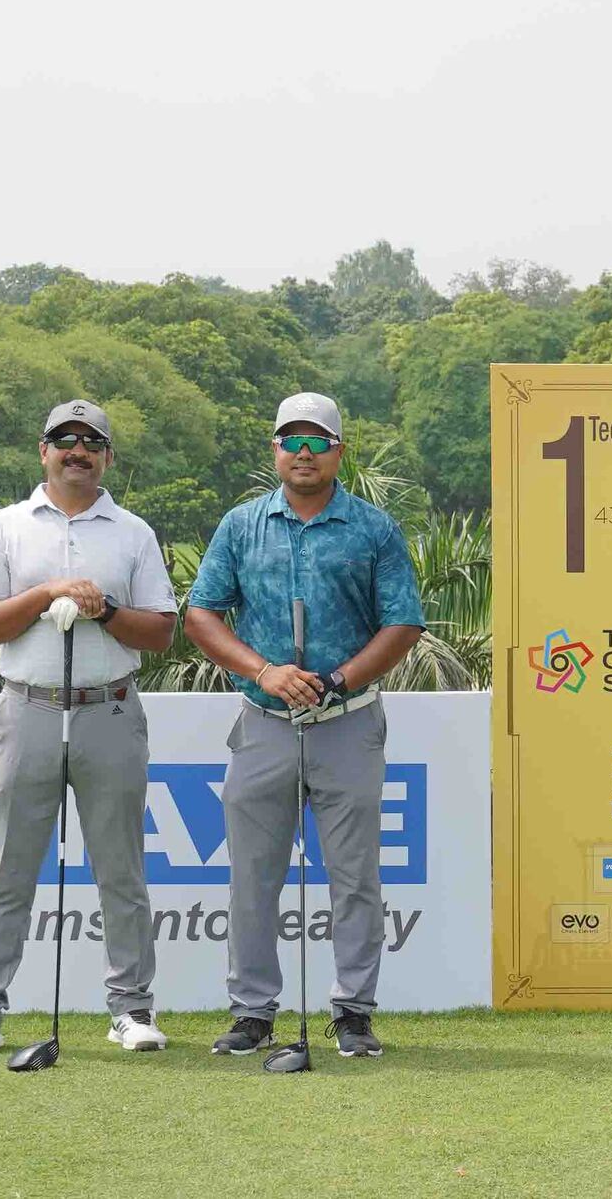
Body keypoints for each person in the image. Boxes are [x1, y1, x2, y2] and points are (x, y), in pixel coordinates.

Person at [0, 400, 179, 1059]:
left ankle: (131, 1008)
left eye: (91, 441)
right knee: (8, 870)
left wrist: (105, 607)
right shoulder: (5, 527)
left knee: (120, 869)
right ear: (44, 451)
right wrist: (47, 594)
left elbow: (160, 630)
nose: (77, 450)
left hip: (110, 708)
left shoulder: (133, 532)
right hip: (28, 707)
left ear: (107, 457)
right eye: (64, 440)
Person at [185, 392, 425, 1058]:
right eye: (291, 440)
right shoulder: (241, 525)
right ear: (275, 451)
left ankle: (353, 1013)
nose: (304, 453)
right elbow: (202, 613)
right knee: (253, 875)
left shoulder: (372, 529)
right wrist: (264, 671)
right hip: (264, 720)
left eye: (317, 441)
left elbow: (402, 621)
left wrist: (342, 678)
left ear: (339, 451)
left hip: (347, 721)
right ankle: (252, 1013)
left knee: (354, 876)